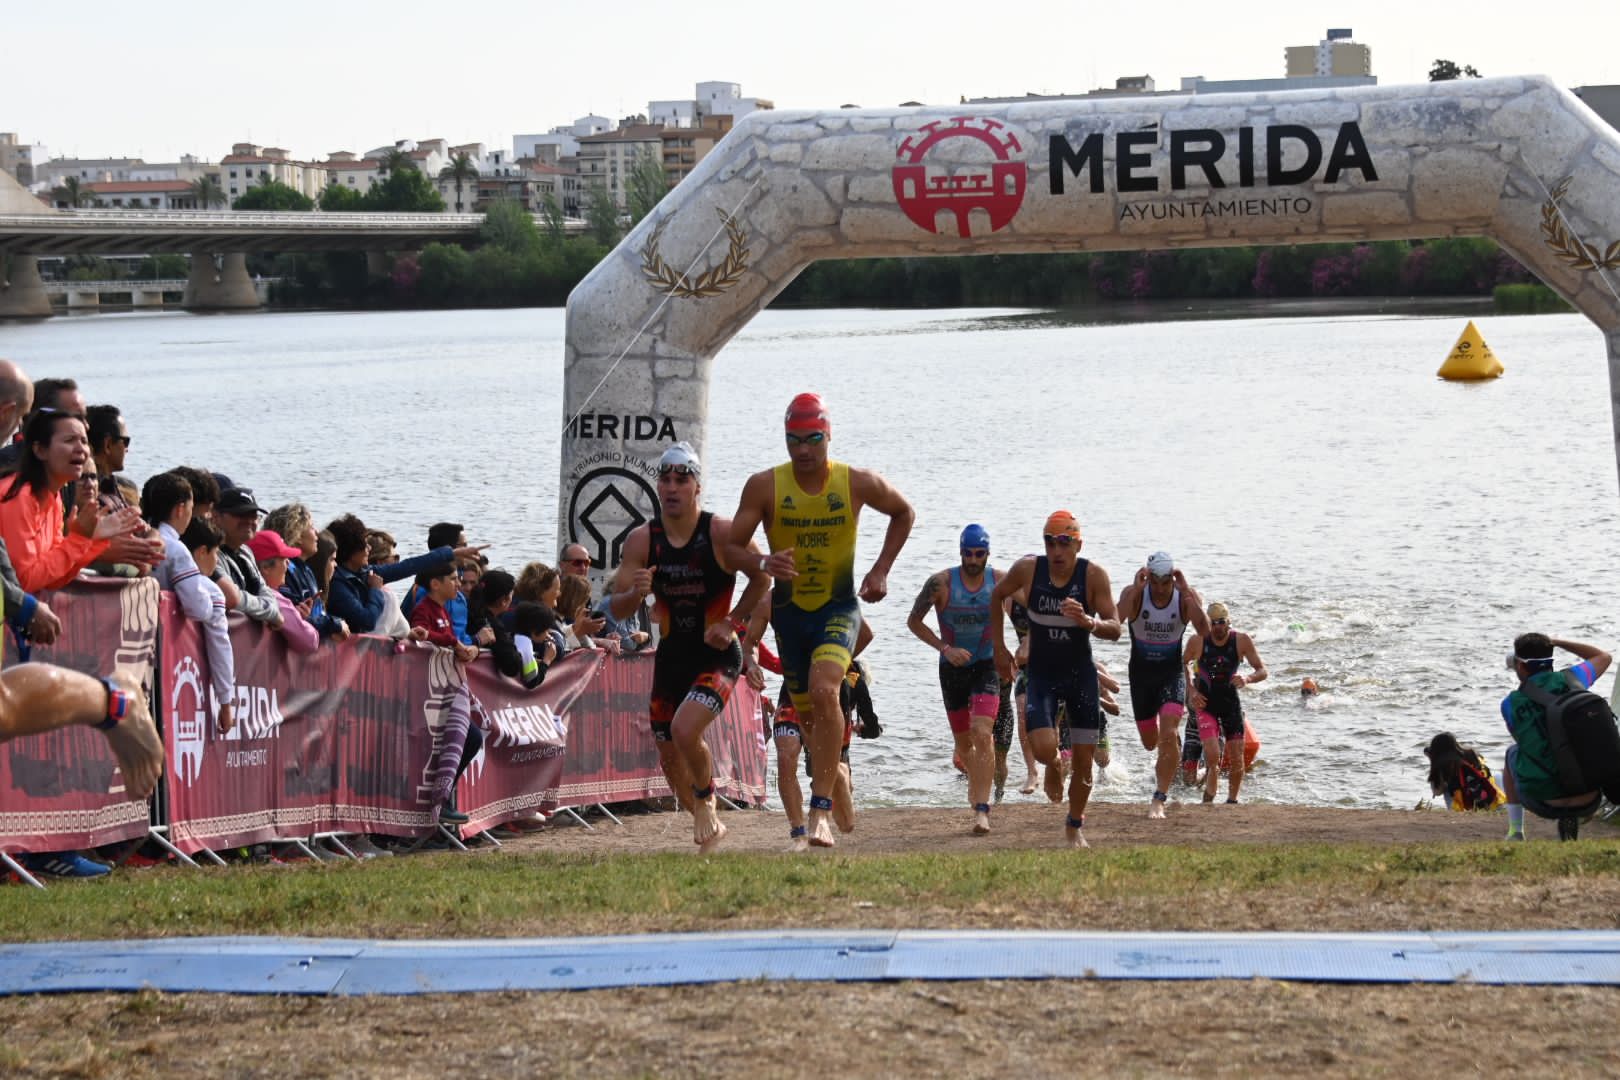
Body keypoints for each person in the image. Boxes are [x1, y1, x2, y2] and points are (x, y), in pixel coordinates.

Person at [730, 394, 914, 848]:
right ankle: (839, 779)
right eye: (794, 440)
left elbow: (903, 512)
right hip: (790, 618)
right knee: (811, 728)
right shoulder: (764, 486)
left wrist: (881, 570)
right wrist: (763, 563)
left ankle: (820, 810)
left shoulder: (855, 482)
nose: (803, 450)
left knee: (825, 689)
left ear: (828, 435)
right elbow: (731, 547)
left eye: (813, 439)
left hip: (838, 608)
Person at [611, 441, 770, 853]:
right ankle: (708, 828)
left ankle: (706, 799)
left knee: (685, 730)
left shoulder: (721, 532)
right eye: (665, 479)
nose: (671, 487)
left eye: (681, 480)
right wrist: (636, 592)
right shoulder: (642, 540)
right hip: (672, 657)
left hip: (718, 655)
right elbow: (618, 606)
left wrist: (733, 622)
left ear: (697, 486)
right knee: (668, 756)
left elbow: (763, 578)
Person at [991, 510, 1121, 849]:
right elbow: (996, 595)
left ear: (1078, 544)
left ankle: (1074, 826)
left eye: (1064, 542)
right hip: (1042, 675)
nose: (1056, 550)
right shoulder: (1028, 570)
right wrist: (999, 648)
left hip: (1080, 676)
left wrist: (1089, 622)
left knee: (1084, 764)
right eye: (1050, 542)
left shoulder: (1093, 576)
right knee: (1044, 748)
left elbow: (1116, 627)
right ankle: (1050, 765)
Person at [908, 523, 1002, 836]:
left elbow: (1025, 612)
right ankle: (976, 784)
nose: (973, 560)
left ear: (987, 553)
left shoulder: (999, 582)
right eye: (967, 553)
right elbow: (914, 622)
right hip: (951, 669)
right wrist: (945, 649)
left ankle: (982, 810)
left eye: (979, 554)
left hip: (986, 665)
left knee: (983, 732)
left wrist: (1020, 647)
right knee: (964, 746)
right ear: (960, 552)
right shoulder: (940, 584)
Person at [0, 409, 156, 593]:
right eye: (69, 440)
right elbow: (23, 581)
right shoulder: (18, 496)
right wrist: (79, 539)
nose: (81, 449)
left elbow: (53, 579)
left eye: (84, 441)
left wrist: (90, 539)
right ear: (40, 450)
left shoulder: (53, 498)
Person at [1116, 551, 1210, 818]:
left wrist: (1187, 592)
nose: (1159, 589)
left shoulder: (1185, 597)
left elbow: (1204, 631)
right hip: (1141, 678)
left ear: (1173, 578)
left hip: (1171, 674)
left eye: (1165, 582)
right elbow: (1114, 622)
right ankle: (1171, 750)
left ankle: (1159, 798)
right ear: (1147, 577)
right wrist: (1135, 591)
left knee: (1168, 731)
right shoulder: (1135, 594)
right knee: (1151, 743)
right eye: (1154, 582)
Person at [1500, 633, 1616, 841]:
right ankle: (1573, 816)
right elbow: (1603, 656)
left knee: (1513, 752)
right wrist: (1559, 642)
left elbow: (1527, 746)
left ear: (1521, 666)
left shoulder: (1510, 703)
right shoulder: (1574, 679)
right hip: (1590, 798)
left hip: (1545, 802)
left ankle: (1515, 832)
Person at [143, 471, 235, 734]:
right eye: (192, 508)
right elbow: (198, 608)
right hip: (162, 660)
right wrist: (212, 595)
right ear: (180, 509)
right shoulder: (176, 549)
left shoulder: (137, 537)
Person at [408, 561, 484, 824]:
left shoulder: (443, 609)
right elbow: (422, 637)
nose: (458, 583)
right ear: (435, 584)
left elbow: (449, 643)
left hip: (448, 692)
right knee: (468, 738)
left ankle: (445, 797)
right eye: (453, 579)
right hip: (431, 692)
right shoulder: (423, 609)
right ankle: (442, 799)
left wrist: (467, 649)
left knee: (470, 738)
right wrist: (454, 643)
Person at [1183, 601, 1268, 804]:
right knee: (1213, 757)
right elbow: (1182, 663)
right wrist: (1191, 690)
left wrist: (1247, 678)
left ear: (1228, 622)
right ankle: (1208, 800)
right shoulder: (1198, 641)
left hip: (1231, 705)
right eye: (1212, 623)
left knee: (1237, 759)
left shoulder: (1241, 640)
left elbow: (1262, 670)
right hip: (1205, 705)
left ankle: (1232, 801)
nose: (1217, 627)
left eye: (1221, 622)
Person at [246, 530, 320, 655]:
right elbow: (311, 641)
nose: (288, 562)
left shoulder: (245, 588)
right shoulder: (275, 599)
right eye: (283, 558)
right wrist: (301, 621)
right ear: (265, 568)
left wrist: (296, 615)